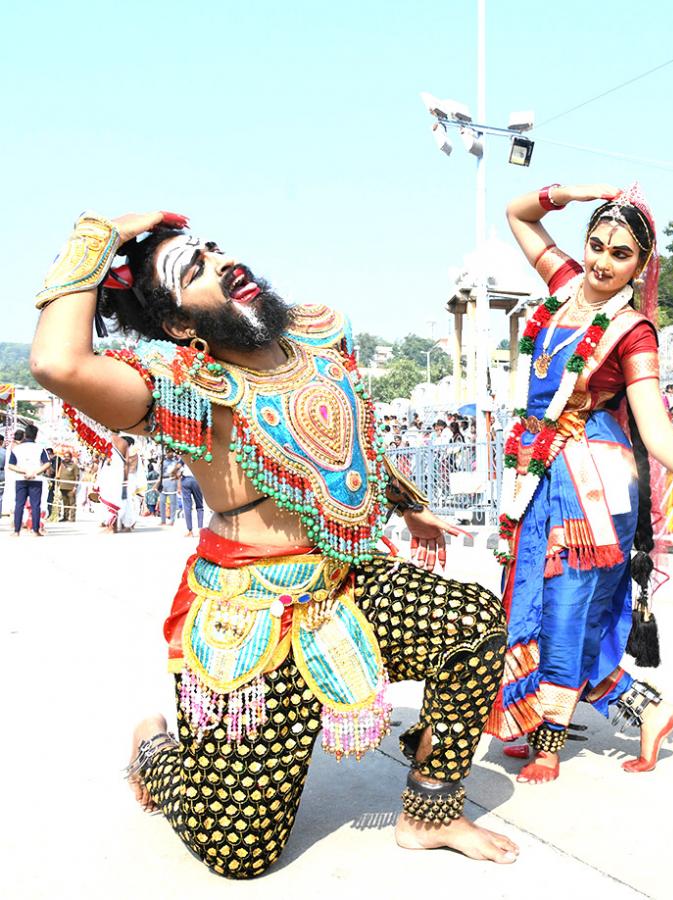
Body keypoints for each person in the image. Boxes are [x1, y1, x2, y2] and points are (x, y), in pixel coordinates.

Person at [30, 209, 518, 874]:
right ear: (179, 324)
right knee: (239, 852)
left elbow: (347, 441)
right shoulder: (182, 386)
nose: (221, 261)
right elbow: (57, 362)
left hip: (344, 581)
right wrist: (102, 235)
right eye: (193, 268)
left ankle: (429, 811)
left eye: (213, 248)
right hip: (249, 614)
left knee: (474, 621)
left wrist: (411, 507)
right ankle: (154, 748)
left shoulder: (320, 334)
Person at [495, 181, 673, 784]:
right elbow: (516, 214)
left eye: (621, 253)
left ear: (640, 263)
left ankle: (549, 738)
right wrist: (574, 193)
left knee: (570, 604)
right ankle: (642, 710)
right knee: (526, 594)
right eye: (597, 245)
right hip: (535, 470)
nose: (603, 261)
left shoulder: (632, 331)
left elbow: (654, 431)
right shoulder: (563, 287)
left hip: (590, 483)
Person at [8, 427, 50, 536]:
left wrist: (24, 471)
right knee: (35, 505)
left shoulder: (17, 449)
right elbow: (47, 463)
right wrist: (35, 472)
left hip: (21, 479)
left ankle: (17, 531)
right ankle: (35, 530)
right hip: (35, 479)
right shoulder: (40, 448)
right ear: (36, 435)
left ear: (25, 434)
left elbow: (11, 465)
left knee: (19, 504)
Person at [179, 457, 205, 536]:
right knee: (199, 505)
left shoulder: (185, 454)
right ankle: (200, 529)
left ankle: (190, 530)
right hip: (197, 479)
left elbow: (178, 467)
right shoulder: (200, 454)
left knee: (187, 507)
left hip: (185, 480)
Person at [54, 447, 81, 523]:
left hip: (71, 487)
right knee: (65, 503)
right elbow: (58, 475)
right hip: (63, 487)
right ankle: (65, 517)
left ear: (70, 457)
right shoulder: (62, 465)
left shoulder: (74, 466)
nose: (66, 458)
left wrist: (75, 487)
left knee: (72, 503)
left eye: (68, 456)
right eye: (65, 456)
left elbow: (77, 477)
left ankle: (72, 518)